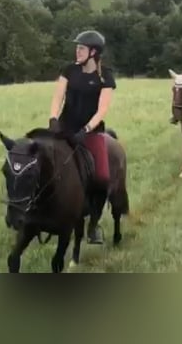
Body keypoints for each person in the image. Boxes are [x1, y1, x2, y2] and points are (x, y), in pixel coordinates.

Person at [48, 29, 116, 244]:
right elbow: (58, 97)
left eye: (81, 48)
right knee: (42, 164)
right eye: (77, 48)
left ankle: (93, 225)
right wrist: (52, 118)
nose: (77, 51)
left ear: (93, 52)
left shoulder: (106, 76)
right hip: (65, 129)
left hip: (90, 133)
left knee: (103, 178)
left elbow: (102, 109)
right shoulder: (69, 70)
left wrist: (86, 130)